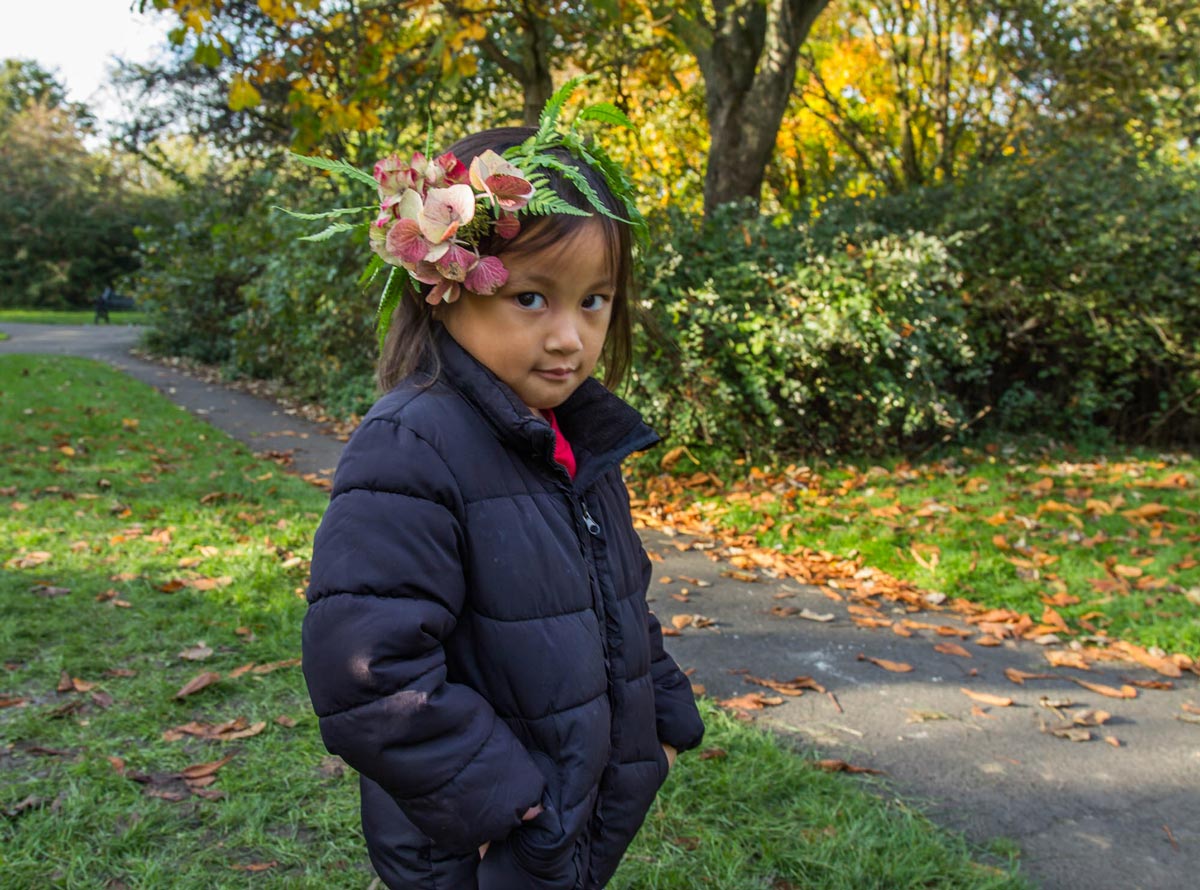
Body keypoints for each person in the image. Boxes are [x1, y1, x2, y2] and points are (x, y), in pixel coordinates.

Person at [300, 92, 705, 890]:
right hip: (475, 846)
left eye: (594, 301)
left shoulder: (575, 438)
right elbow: (367, 667)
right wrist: (503, 807)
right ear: (446, 285)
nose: (569, 335)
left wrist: (663, 721)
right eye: (532, 298)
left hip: (577, 817)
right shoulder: (414, 445)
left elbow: (616, 599)